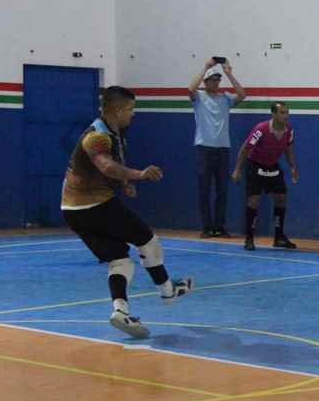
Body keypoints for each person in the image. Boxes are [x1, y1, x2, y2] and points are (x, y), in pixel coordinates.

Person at [61, 86, 193, 339]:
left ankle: (120, 311)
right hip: (93, 206)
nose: (133, 114)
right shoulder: (96, 137)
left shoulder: (115, 132)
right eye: (131, 109)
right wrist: (139, 175)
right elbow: (107, 166)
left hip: (72, 210)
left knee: (120, 259)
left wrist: (124, 183)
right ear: (118, 110)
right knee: (148, 241)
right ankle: (167, 291)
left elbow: (109, 168)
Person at [189, 56, 246, 237]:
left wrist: (229, 74)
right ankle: (207, 227)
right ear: (205, 81)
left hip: (222, 148)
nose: (215, 82)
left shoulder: (225, 98)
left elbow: (242, 95)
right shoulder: (199, 97)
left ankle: (219, 227)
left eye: (217, 79)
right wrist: (206, 66)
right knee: (204, 190)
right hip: (204, 148)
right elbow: (190, 88)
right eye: (212, 79)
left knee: (222, 190)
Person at [231, 101, 299, 251]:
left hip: (273, 166)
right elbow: (245, 149)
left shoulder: (289, 130)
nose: (286, 116)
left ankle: (279, 237)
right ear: (273, 114)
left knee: (281, 197)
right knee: (254, 200)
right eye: (282, 113)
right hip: (255, 165)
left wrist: (293, 167)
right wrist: (237, 169)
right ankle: (249, 238)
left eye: (287, 113)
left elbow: (288, 149)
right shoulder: (261, 129)